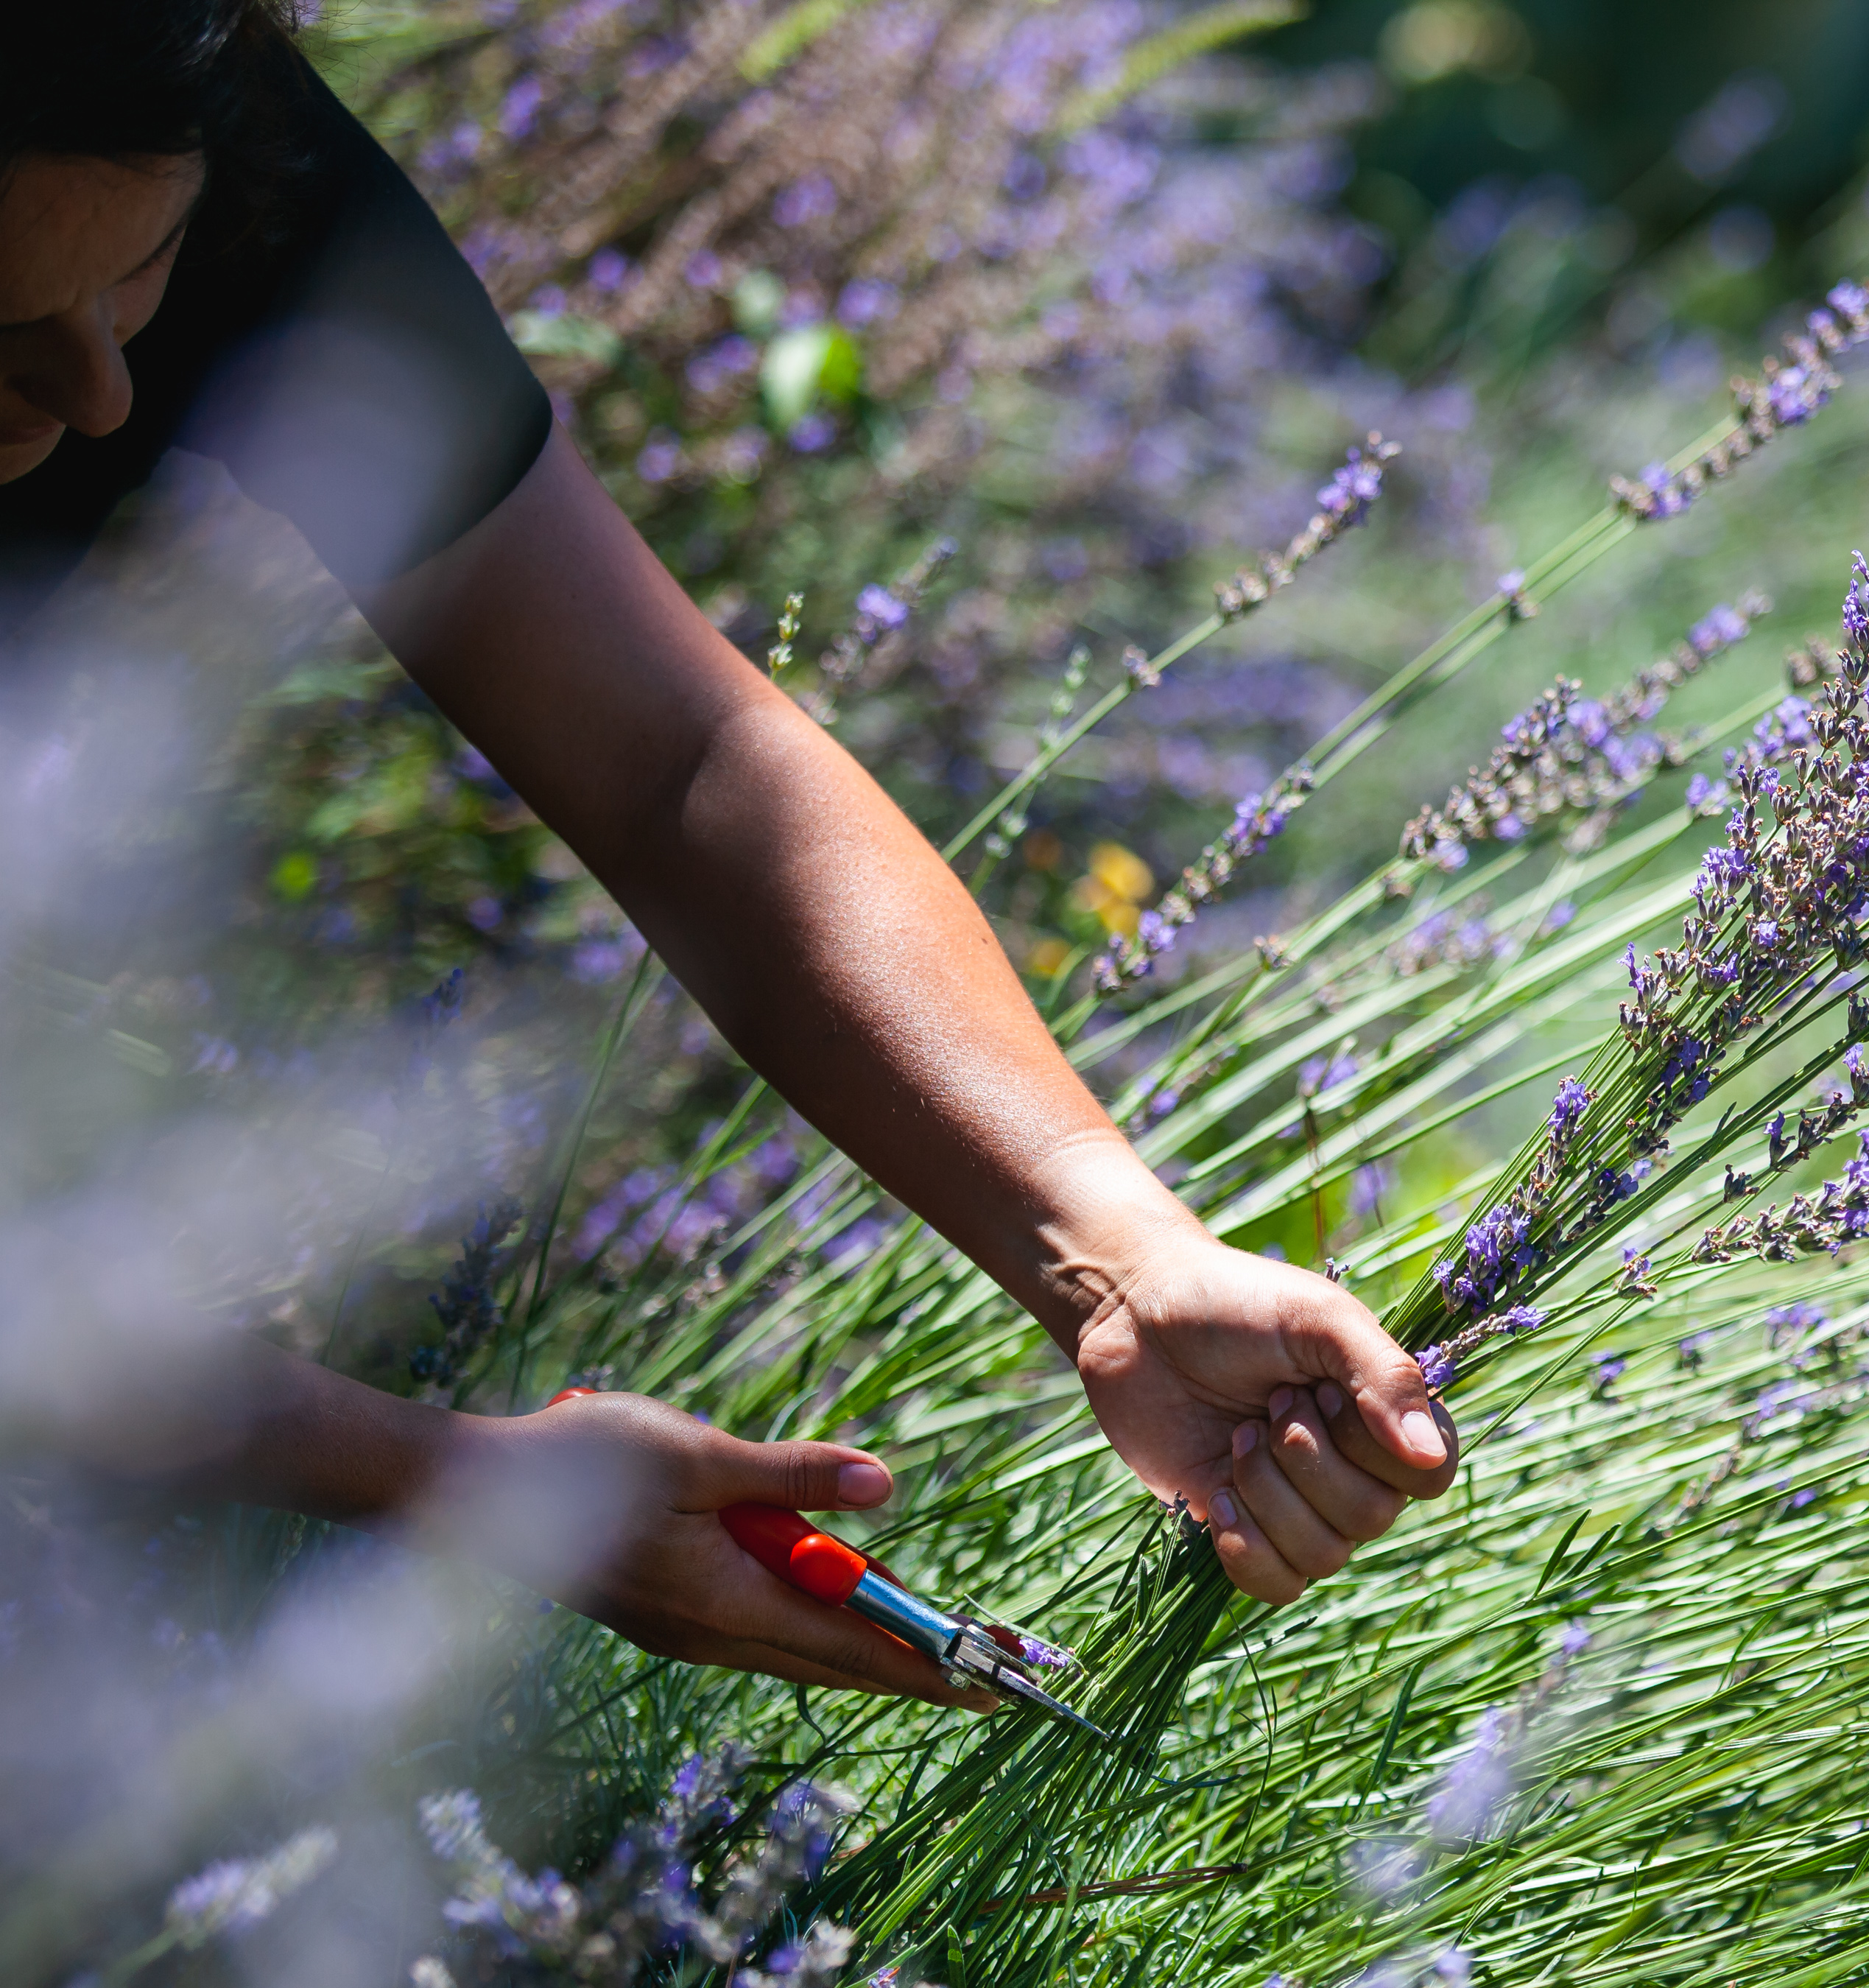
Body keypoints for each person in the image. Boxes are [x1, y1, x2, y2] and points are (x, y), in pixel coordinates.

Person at [0, 2, 1454, 1709]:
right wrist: (438, 1472)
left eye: (143, 277)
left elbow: (681, 763)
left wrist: (1117, 1254)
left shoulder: (182, 109)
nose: (100, 394)